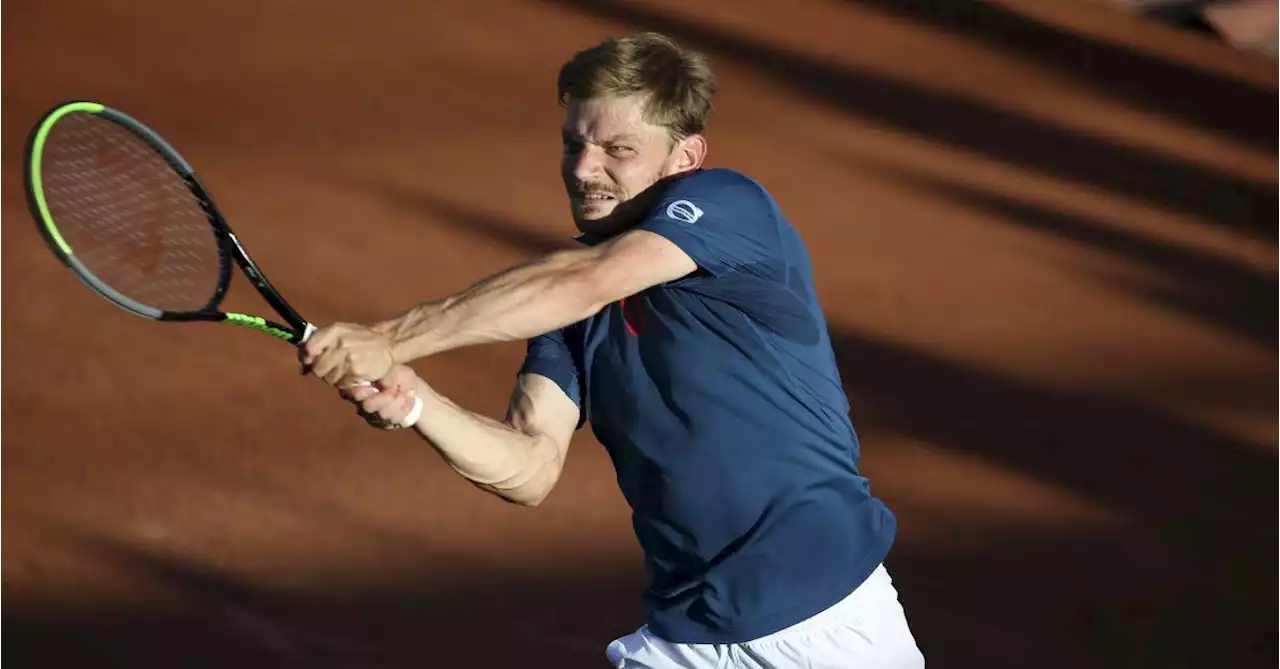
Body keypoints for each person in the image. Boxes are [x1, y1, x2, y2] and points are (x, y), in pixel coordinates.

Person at [301, 31, 925, 669]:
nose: (582, 168)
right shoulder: (571, 315)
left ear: (685, 155)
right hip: (685, 638)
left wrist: (387, 338)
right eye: (574, 143)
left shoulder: (730, 204)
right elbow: (529, 469)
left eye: (617, 150)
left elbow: (587, 280)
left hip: (829, 624)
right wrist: (417, 404)